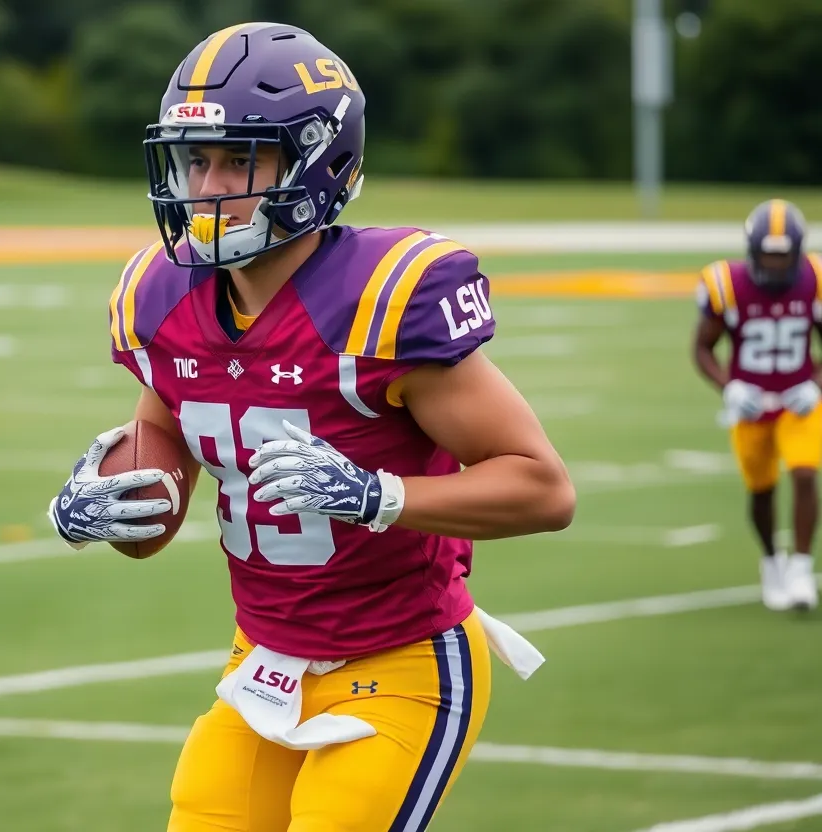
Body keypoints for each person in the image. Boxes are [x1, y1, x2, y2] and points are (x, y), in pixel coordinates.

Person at [47, 22, 575, 832]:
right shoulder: (161, 295)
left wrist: (375, 496)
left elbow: (544, 489)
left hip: (401, 658)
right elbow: (162, 461)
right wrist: (96, 504)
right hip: (260, 657)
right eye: (195, 160)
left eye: (240, 159)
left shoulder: (383, 296)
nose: (207, 185)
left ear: (318, 161)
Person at [694, 198, 822, 612]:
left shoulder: (816, 279)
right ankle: (772, 562)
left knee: (805, 474)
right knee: (761, 491)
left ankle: (801, 568)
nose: (775, 265)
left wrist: (815, 383)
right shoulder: (727, 285)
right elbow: (702, 348)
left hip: (798, 400)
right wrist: (728, 387)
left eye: (783, 257)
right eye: (768, 255)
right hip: (750, 404)